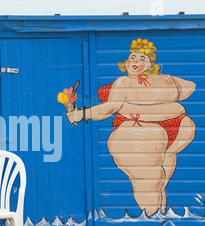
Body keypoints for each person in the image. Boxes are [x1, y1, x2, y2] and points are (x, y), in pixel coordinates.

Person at [66, 38, 196, 216]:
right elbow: (109, 108)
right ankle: (154, 219)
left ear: (150, 64)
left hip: (175, 130)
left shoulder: (163, 80)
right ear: (126, 62)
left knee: (159, 182)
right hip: (141, 133)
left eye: (142, 59)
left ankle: (158, 220)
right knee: (149, 180)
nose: (136, 62)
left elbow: (189, 87)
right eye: (133, 57)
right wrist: (83, 113)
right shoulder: (123, 82)